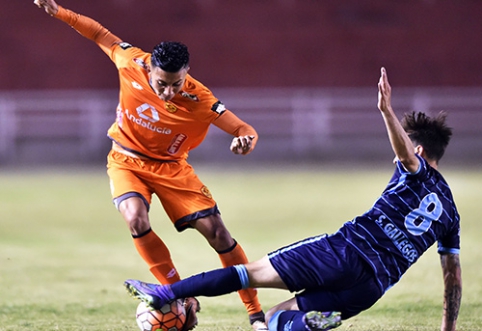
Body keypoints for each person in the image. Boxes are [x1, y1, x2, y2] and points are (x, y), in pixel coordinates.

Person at [123, 67, 462, 331]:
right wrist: (448, 328)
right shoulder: (450, 216)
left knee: (247, 273)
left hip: (342, 253)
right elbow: (452, 277)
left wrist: (387, 110)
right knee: (276, 320)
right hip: (372, 287)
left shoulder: (414, 169)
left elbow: (404, 156)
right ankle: (306, 324)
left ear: (418, 149)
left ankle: (166, 293)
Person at [33, 1, 267, 330]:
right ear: (149, 71)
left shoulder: (200, 99)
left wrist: (245, 142)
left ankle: (255, 313)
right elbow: (99, 33)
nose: (170, 91)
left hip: (172, 168)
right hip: (126, 159)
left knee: (218, 234)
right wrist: (60, 12)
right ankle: (178, 294)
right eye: (162, 84)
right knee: (134, 218)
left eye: (177, 83)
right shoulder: (130, 61)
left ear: (187, 74)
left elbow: (244, 129)